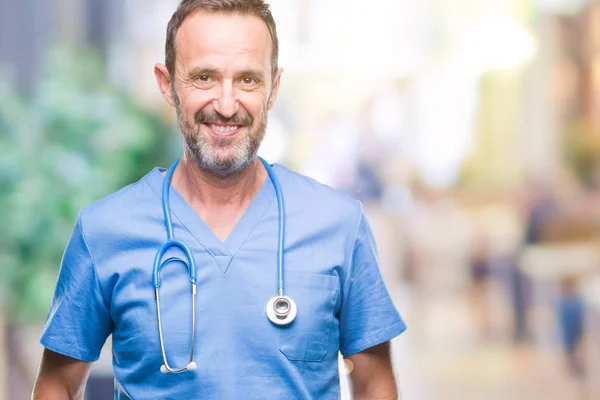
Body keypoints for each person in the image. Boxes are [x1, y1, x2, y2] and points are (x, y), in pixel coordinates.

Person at [31, 1, 406, 399]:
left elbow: (373, 383)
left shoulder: (338, 225)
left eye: (247, 80)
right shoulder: (105, 231)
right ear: (167, 83)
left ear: (273, 88)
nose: (226, 105)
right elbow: (57, 384)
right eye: (204, 77)